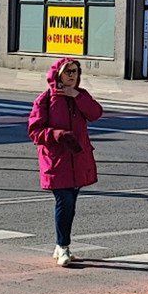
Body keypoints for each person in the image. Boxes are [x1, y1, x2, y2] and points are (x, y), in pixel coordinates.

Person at [27, 58, 103, 266]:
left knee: (71, 204)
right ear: (58, 74)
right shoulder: (45, 99)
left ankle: (61, 245)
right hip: (56, 160)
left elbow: (96, 113)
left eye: (75, 71)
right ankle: (63, 247)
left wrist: (76, 95)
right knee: (65, 201)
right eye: (68, 71)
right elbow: (35, 131)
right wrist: (57, 134)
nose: (72, 75)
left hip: (77, 159)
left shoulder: (81, 95)